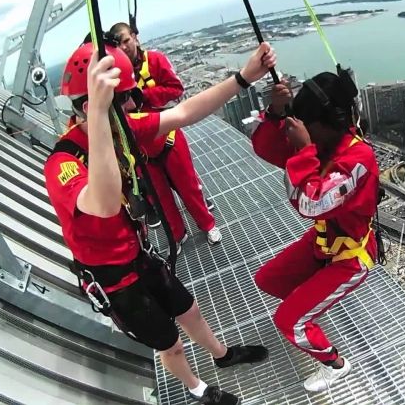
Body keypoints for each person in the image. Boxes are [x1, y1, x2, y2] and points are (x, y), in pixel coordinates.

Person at [44, 40, 276, 405]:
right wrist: (105, 119)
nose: (134, 104)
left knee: (190, 309)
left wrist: (243, 78)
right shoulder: (63, 164)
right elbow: (103, 204)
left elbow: (182, 114)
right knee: (170, 343)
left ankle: (222, 355)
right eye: (125, 99)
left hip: (139, 255)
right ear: (94, 107)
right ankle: (198, 389)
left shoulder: (122, 129)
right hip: (114, 279)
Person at [250, 72, 380, 392]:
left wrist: (304, 149)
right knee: (268, 279)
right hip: (324, 242)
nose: (305, 130)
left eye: (309, 124)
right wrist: (276, 114)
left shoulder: (357, 158)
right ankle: (309, 309)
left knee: (287, 321)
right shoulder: (324, 142)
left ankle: (335, 363)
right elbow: (267, 150)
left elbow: (310, 203)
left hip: (350, 256)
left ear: (327, 122)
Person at [110, 22, 220, 245]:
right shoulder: (114, 76)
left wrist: (144, 96)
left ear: (135, 37)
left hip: (167, 136)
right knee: (160, 197)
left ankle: (208, 224)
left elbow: (176, 89)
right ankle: (178, 235)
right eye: (117, 44)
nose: (123, 48)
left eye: (125, 41)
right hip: (140, 147)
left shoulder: (155, 61)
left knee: (189, 187)